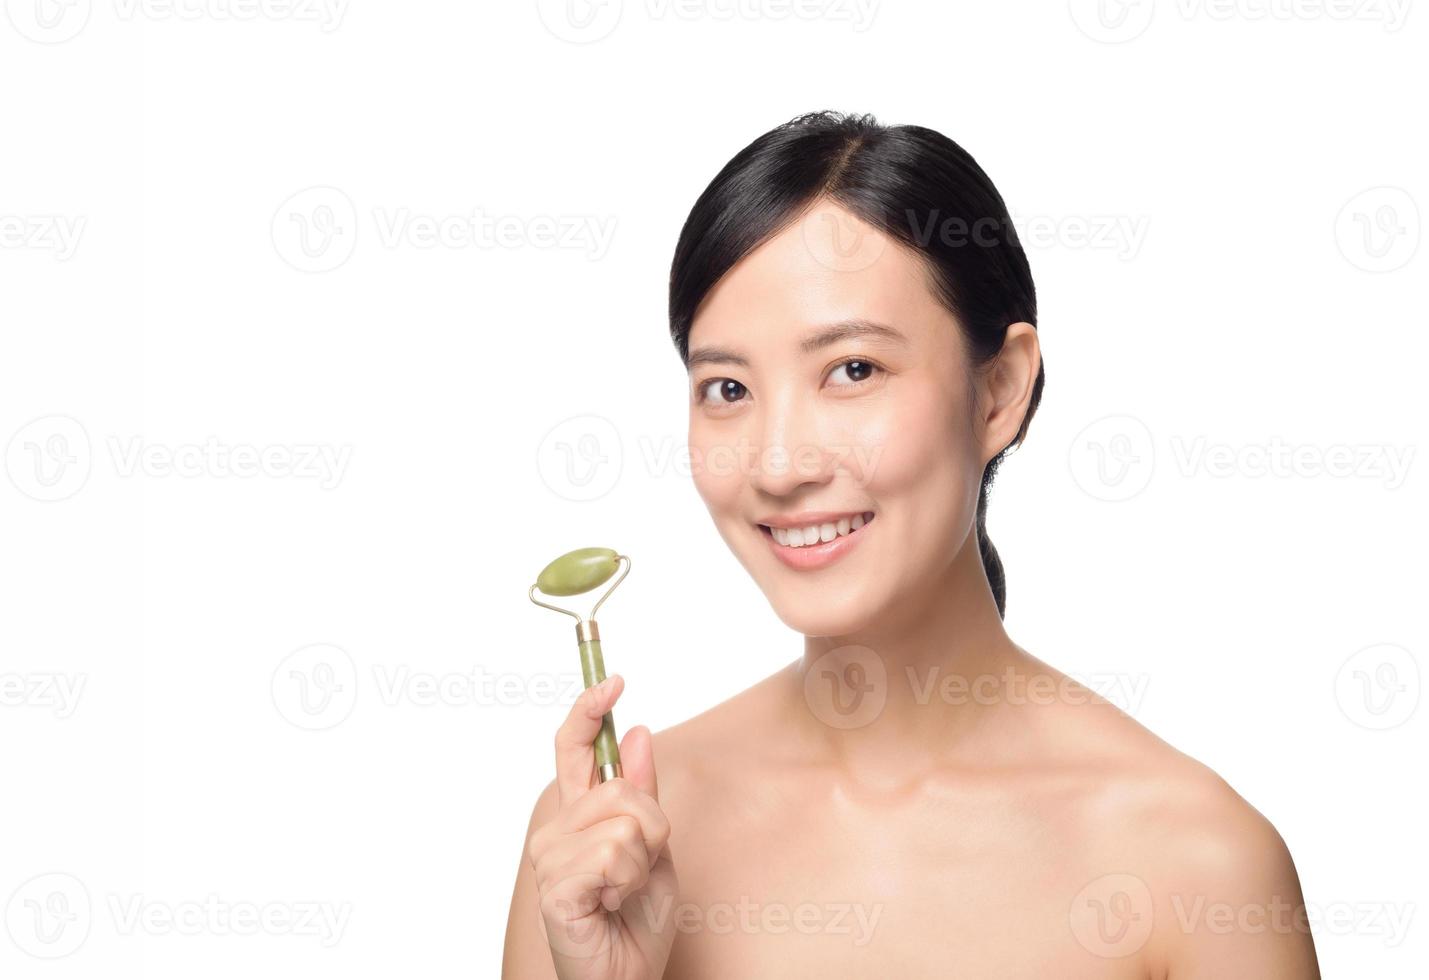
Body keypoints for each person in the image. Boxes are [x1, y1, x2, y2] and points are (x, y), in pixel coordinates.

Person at [502, 111, 1319, 979]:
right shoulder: (601, 845)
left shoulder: (1194, 862)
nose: (778, 466)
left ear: (1000, 390)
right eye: (727, 387)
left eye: (852, 370)